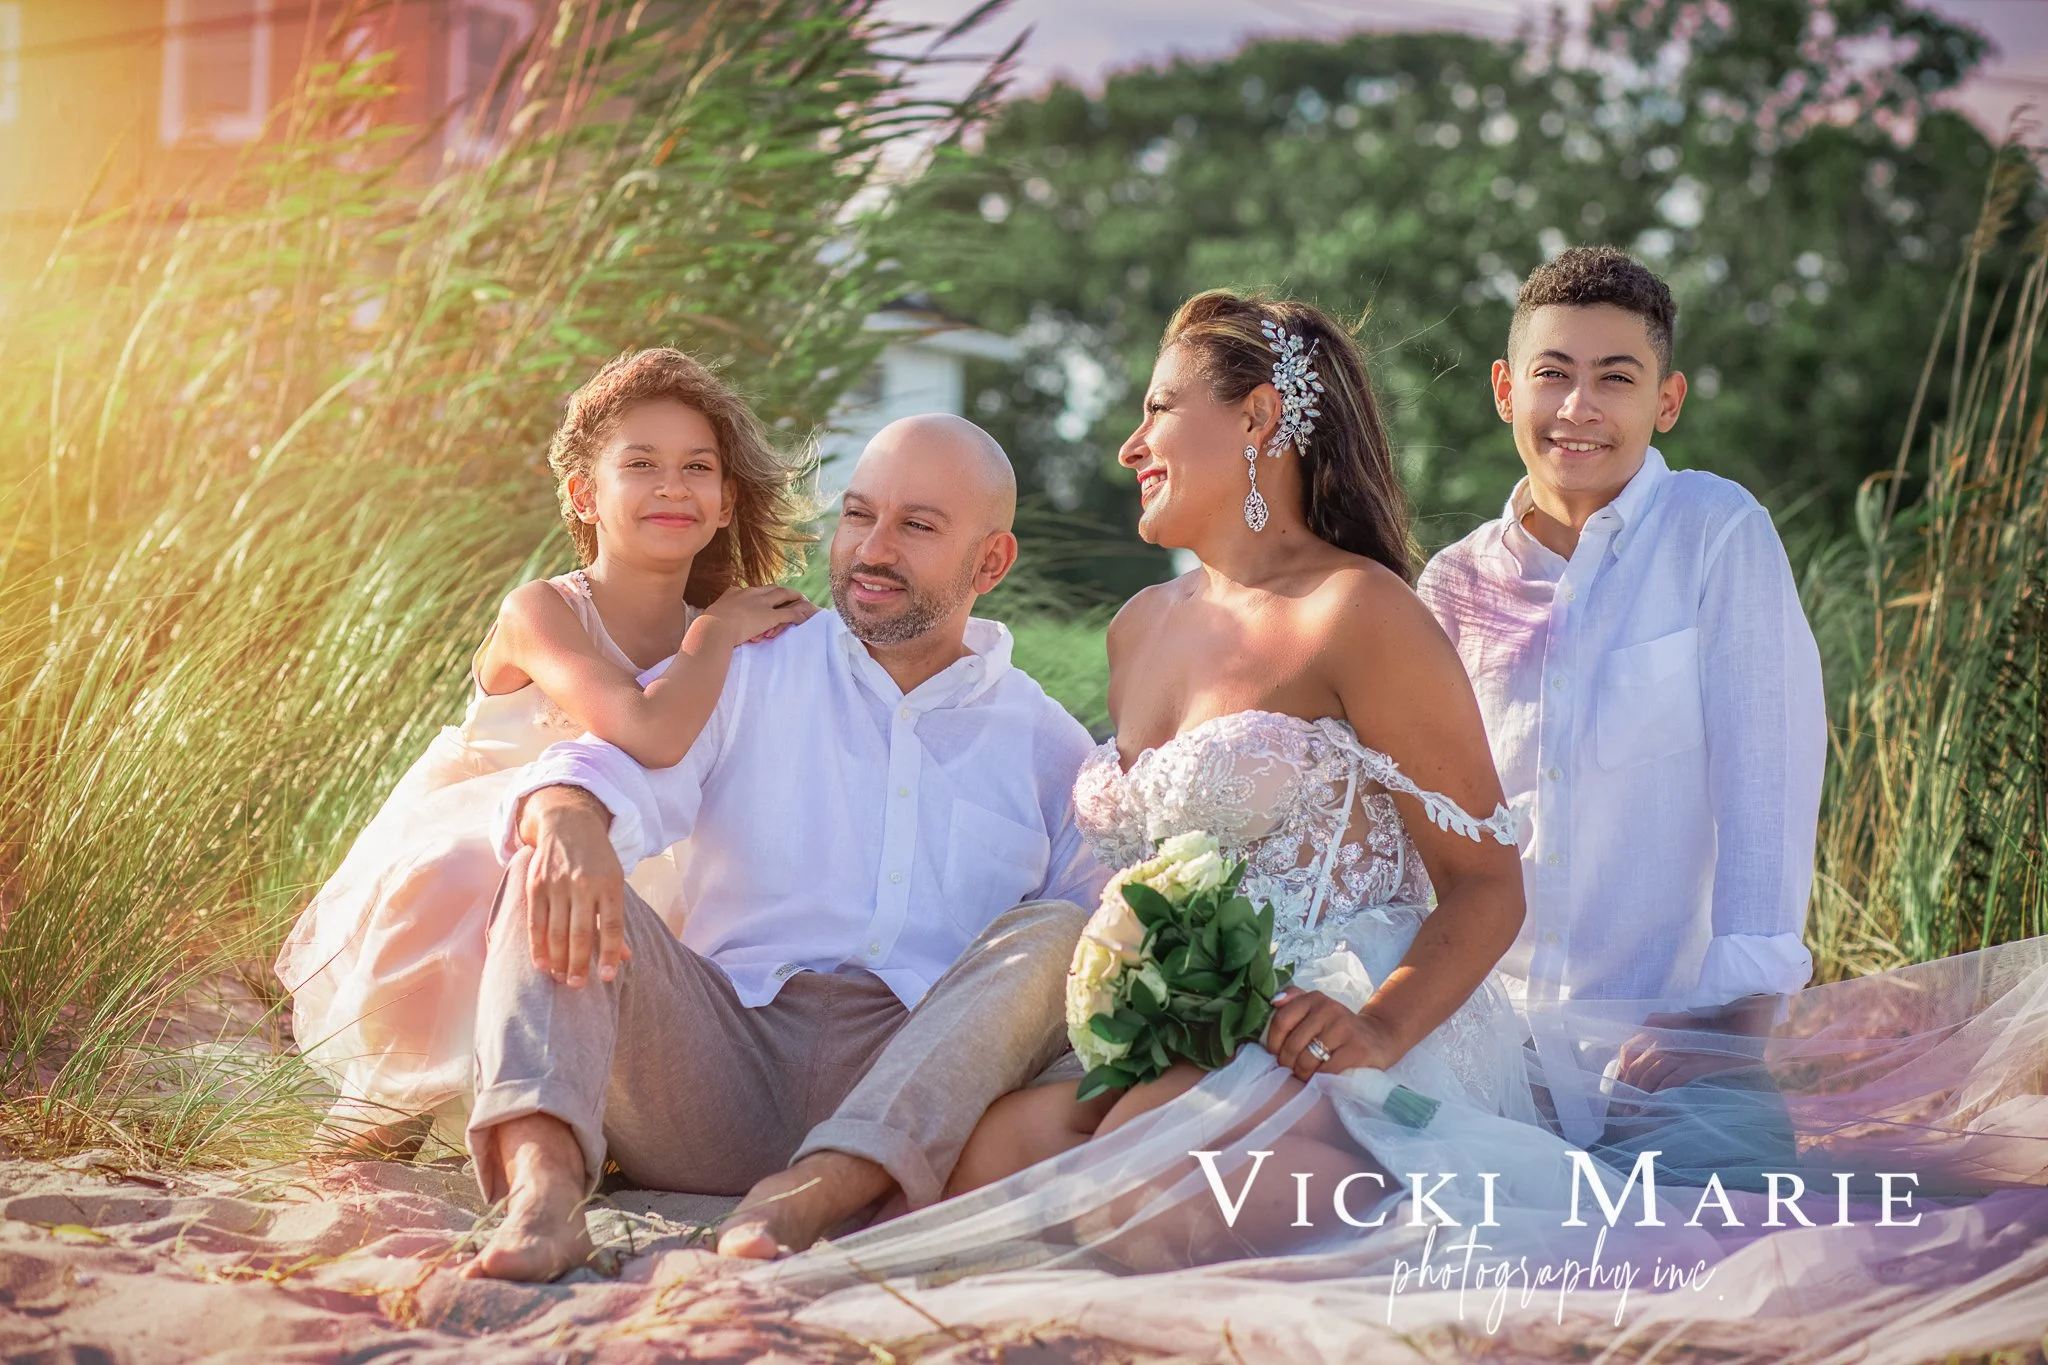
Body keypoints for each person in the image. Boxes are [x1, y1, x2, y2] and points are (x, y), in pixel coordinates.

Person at [461, 413, 1109, 1282]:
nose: (871, 550)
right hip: (720, 1057)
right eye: (857, 514)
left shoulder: (1050, 744)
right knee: (552, 853)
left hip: (908, 1078)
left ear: (991, 563)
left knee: (1059, 933)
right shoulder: (756, 665)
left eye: (916, 526)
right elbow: (608, 769)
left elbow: (1101, 957)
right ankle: (542, 1193)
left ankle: (821, 1186)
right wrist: (569, 812)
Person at [275, 347, 814, 1157]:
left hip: (634, 861)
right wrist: (716, 630)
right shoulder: (542, 611)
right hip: (479, 850)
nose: (673, 485)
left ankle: (578, 1117)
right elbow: (648, 729)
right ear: (583, 494)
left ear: (727, 500)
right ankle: (388, 1106)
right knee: (475, 874)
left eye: (697, 467)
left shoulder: (731, 634)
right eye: (641, 464)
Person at [1415, 247, 1824, 1167]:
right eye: (1552, 375)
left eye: (1616, 378)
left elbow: (1770, 773)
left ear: (1666, 400)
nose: (1578, 408)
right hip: (1488, 1050)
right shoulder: (1451, 584)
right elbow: (1427, 823)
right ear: (1503, 388)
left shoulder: (1715, 533)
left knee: (1730, 1247)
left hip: (1667, 1047)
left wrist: (1731, 1020)